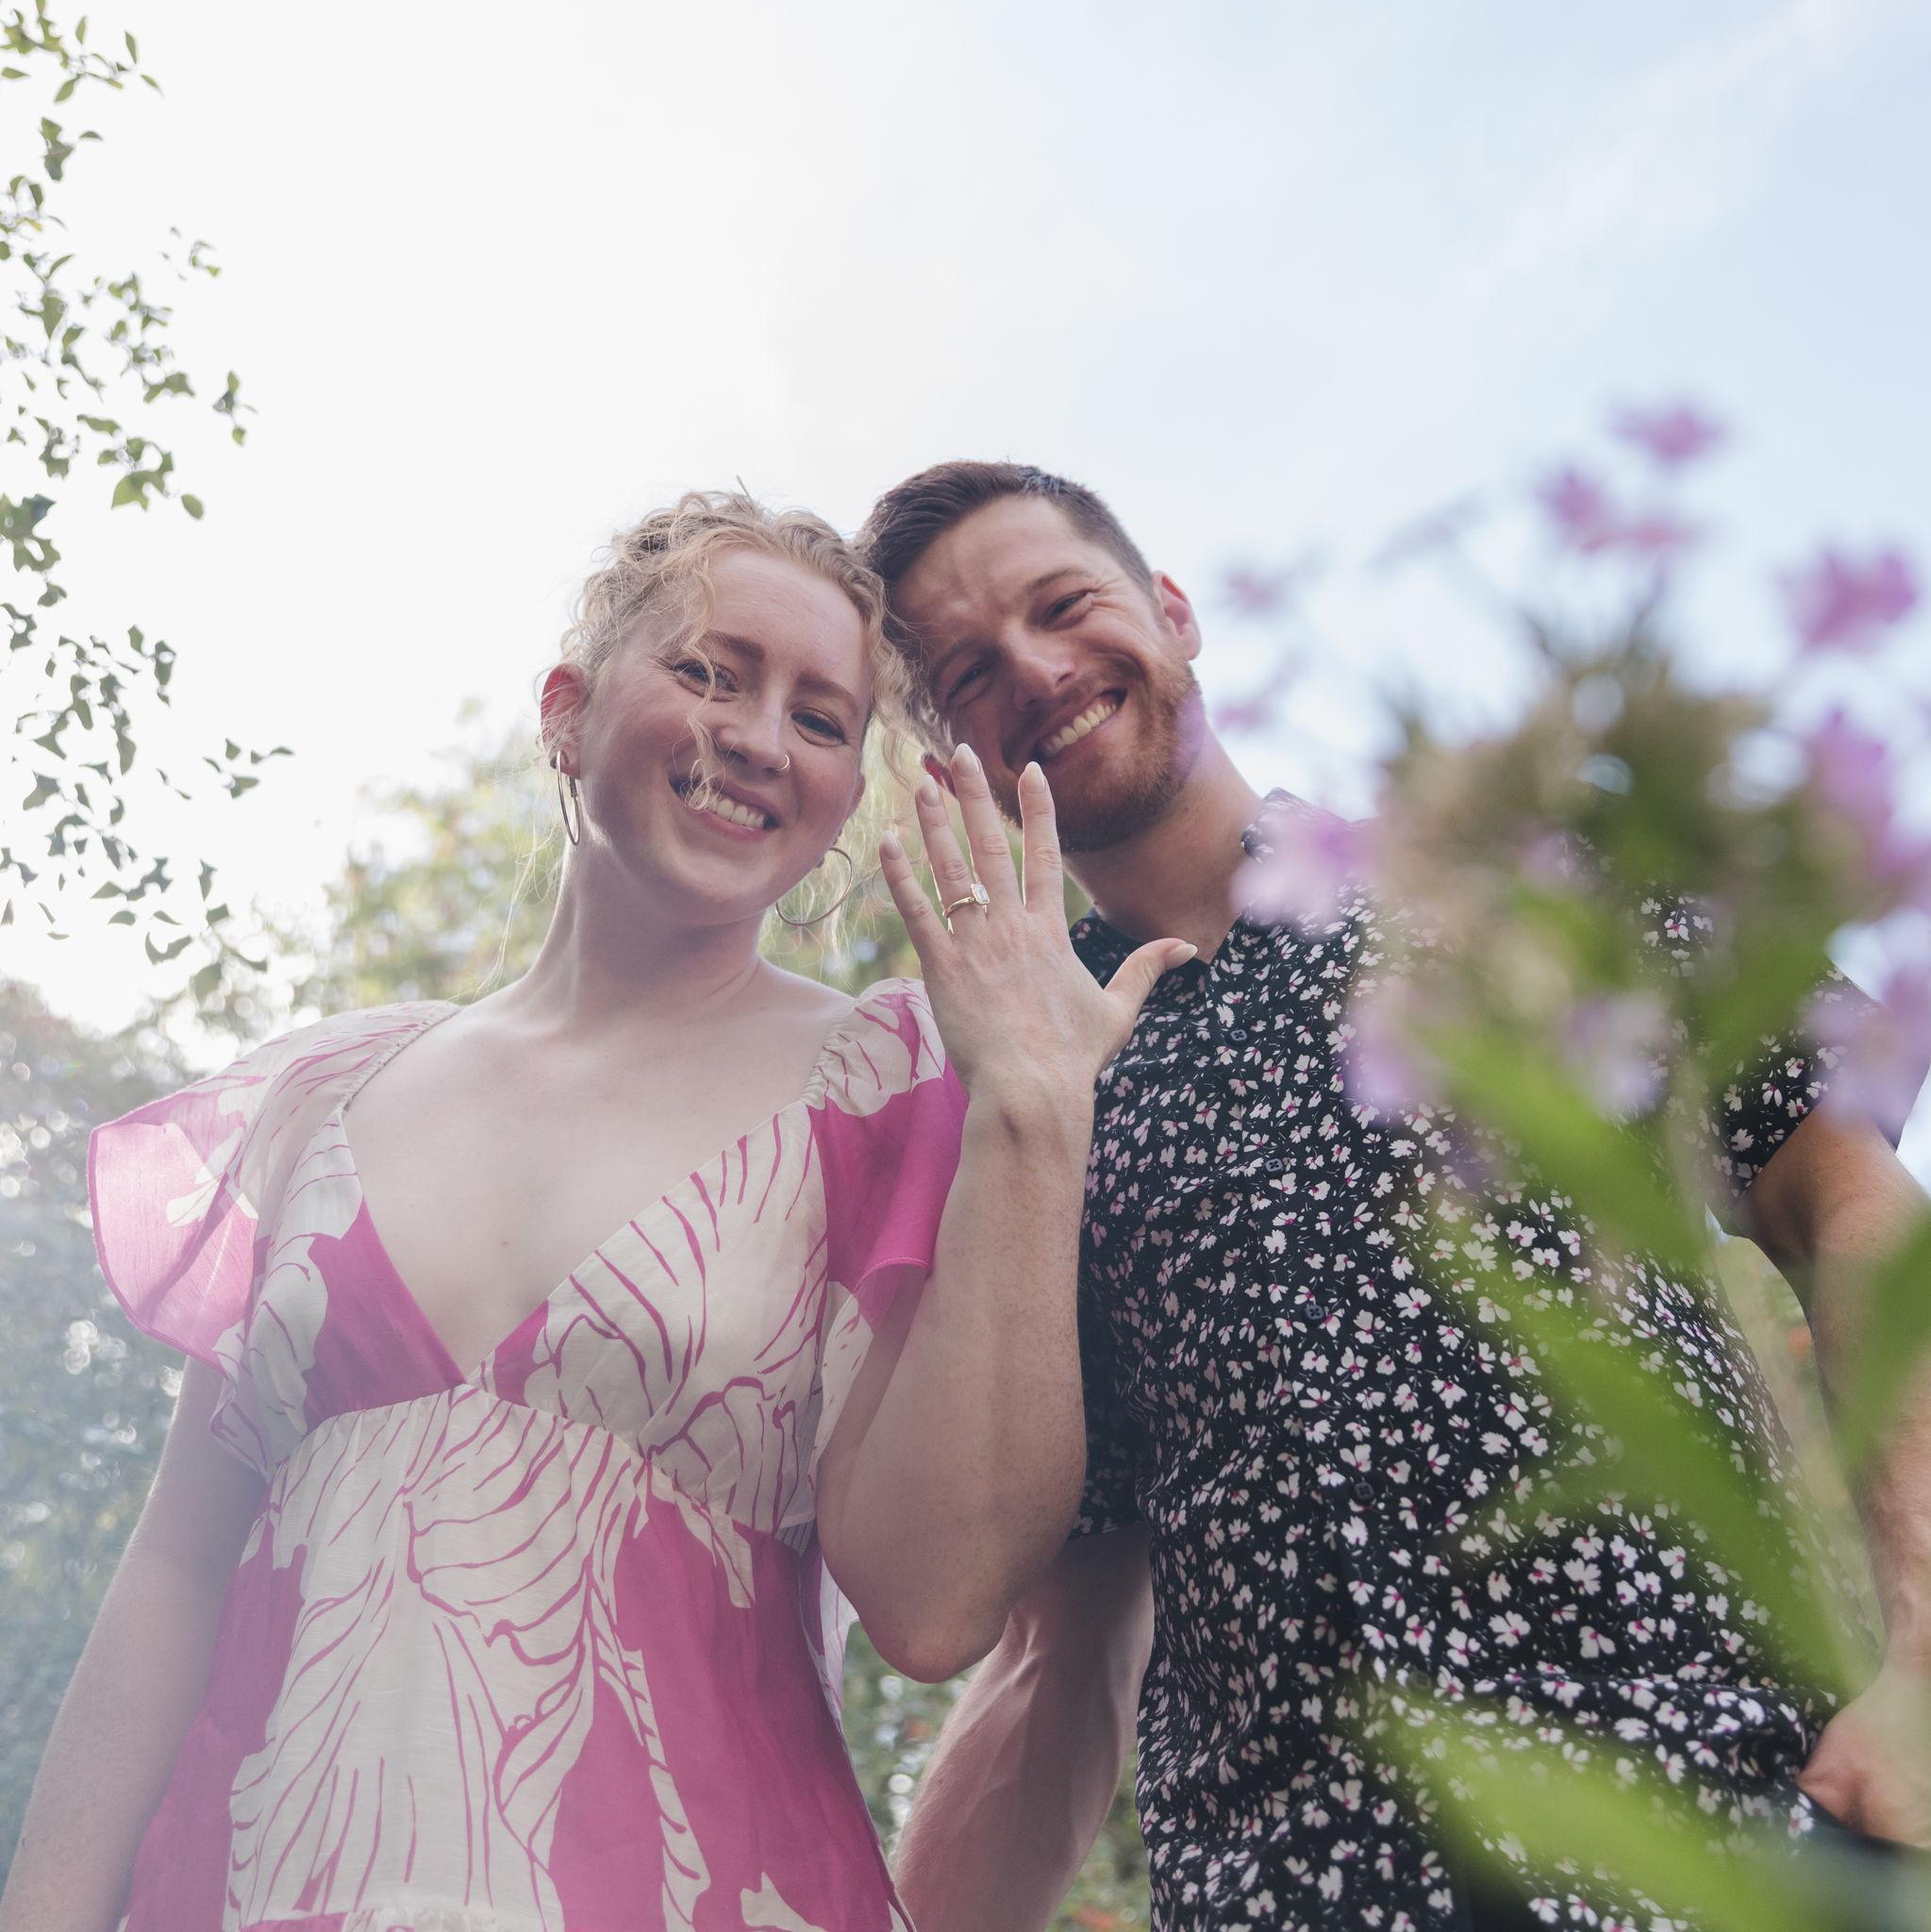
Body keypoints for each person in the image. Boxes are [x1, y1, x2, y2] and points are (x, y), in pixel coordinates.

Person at [0, 491, 1193, 1932]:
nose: (758, 736)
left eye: (823, 720)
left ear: (838, 809)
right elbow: (178, 1570)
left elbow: (937, 1608)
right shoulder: (327, 1091)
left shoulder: (885, 1083)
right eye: (709, 670)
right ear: (567, 712)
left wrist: (1032, 1113)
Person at [856, 461, 1931, 1931]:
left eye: (1067, 606)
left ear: (1171, 613)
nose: (1037, 672)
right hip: (1289, 1893)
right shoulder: (1023, 1108)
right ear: (946, 752)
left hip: (1722, 1829)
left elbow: (1850, 1207)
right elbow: (1061, 1634)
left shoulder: (1514, 868)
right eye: (970, 670)